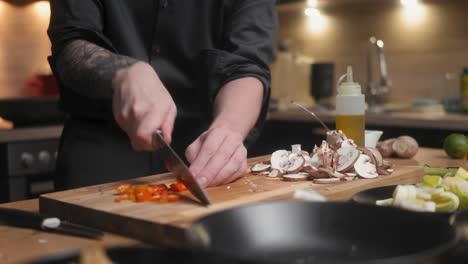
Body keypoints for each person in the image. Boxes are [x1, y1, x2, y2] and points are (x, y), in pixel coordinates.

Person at [47, 0, 278, 189]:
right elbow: (69, 44)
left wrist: (228, 130)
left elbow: (248, 66)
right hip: (98, 157)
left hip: (200, 155)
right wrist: (122, 71)